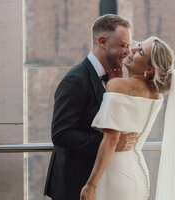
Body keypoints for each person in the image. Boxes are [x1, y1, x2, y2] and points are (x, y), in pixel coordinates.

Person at [44, 14, 139, 200]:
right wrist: (110, 143)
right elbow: (61, 134)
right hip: (73, 185)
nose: (128, 51)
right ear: (102, 42)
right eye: (123, 45)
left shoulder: (113, 79)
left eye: (129, 46)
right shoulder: (75, 79)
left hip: (100, 183)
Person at [80, 36, 175, 200]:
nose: (133, 49)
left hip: (115, 175)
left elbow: (111, 139)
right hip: (138, 174)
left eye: (140, 52)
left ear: (150, 69)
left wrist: (91, 185)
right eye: (137, 44)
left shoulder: (118, 85)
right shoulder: (156, 94)